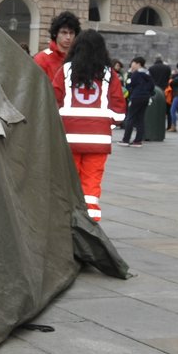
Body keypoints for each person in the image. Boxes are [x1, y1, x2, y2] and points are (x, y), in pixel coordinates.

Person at [52, 30, 125, 223]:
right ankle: (91, 225)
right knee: (91, 186)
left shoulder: (66, 71)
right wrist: (105, 121)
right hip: (98, 140)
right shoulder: (110, 74)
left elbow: (53, 101)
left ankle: (67, 223)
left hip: (69, 139)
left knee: (69, 183)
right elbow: (119, 112)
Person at [33, 12, 80, 81]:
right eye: (64, 32)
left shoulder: (79, 57)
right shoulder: (42, 59)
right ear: (55, 34)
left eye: (71, 33)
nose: (68, 37)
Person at [121, 56, 153, 146]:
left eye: (133, 63)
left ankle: (126, 140)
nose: (132, 65)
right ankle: (138, 141)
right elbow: (152, 86)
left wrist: (130, 74)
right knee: (140, 119)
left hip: (136, 97)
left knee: (130, 118)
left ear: (138, 64)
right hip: (145, 97)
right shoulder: (147, 73)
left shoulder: (135, 74)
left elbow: (129, 85)